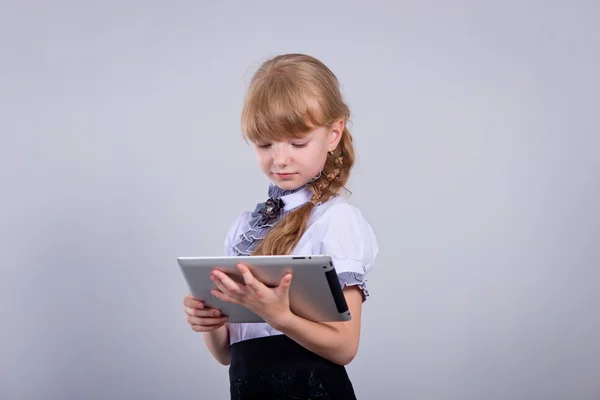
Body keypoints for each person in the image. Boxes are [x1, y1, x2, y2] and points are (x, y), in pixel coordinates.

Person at [183, 53, 379, 399]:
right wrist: (210, 323)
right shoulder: (244, 228)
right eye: (265, 144)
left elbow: (345, 346)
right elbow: (229, 355)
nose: (280, 159)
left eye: (298, 142)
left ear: (333, 134)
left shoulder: (335, 221)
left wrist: (279, 316)